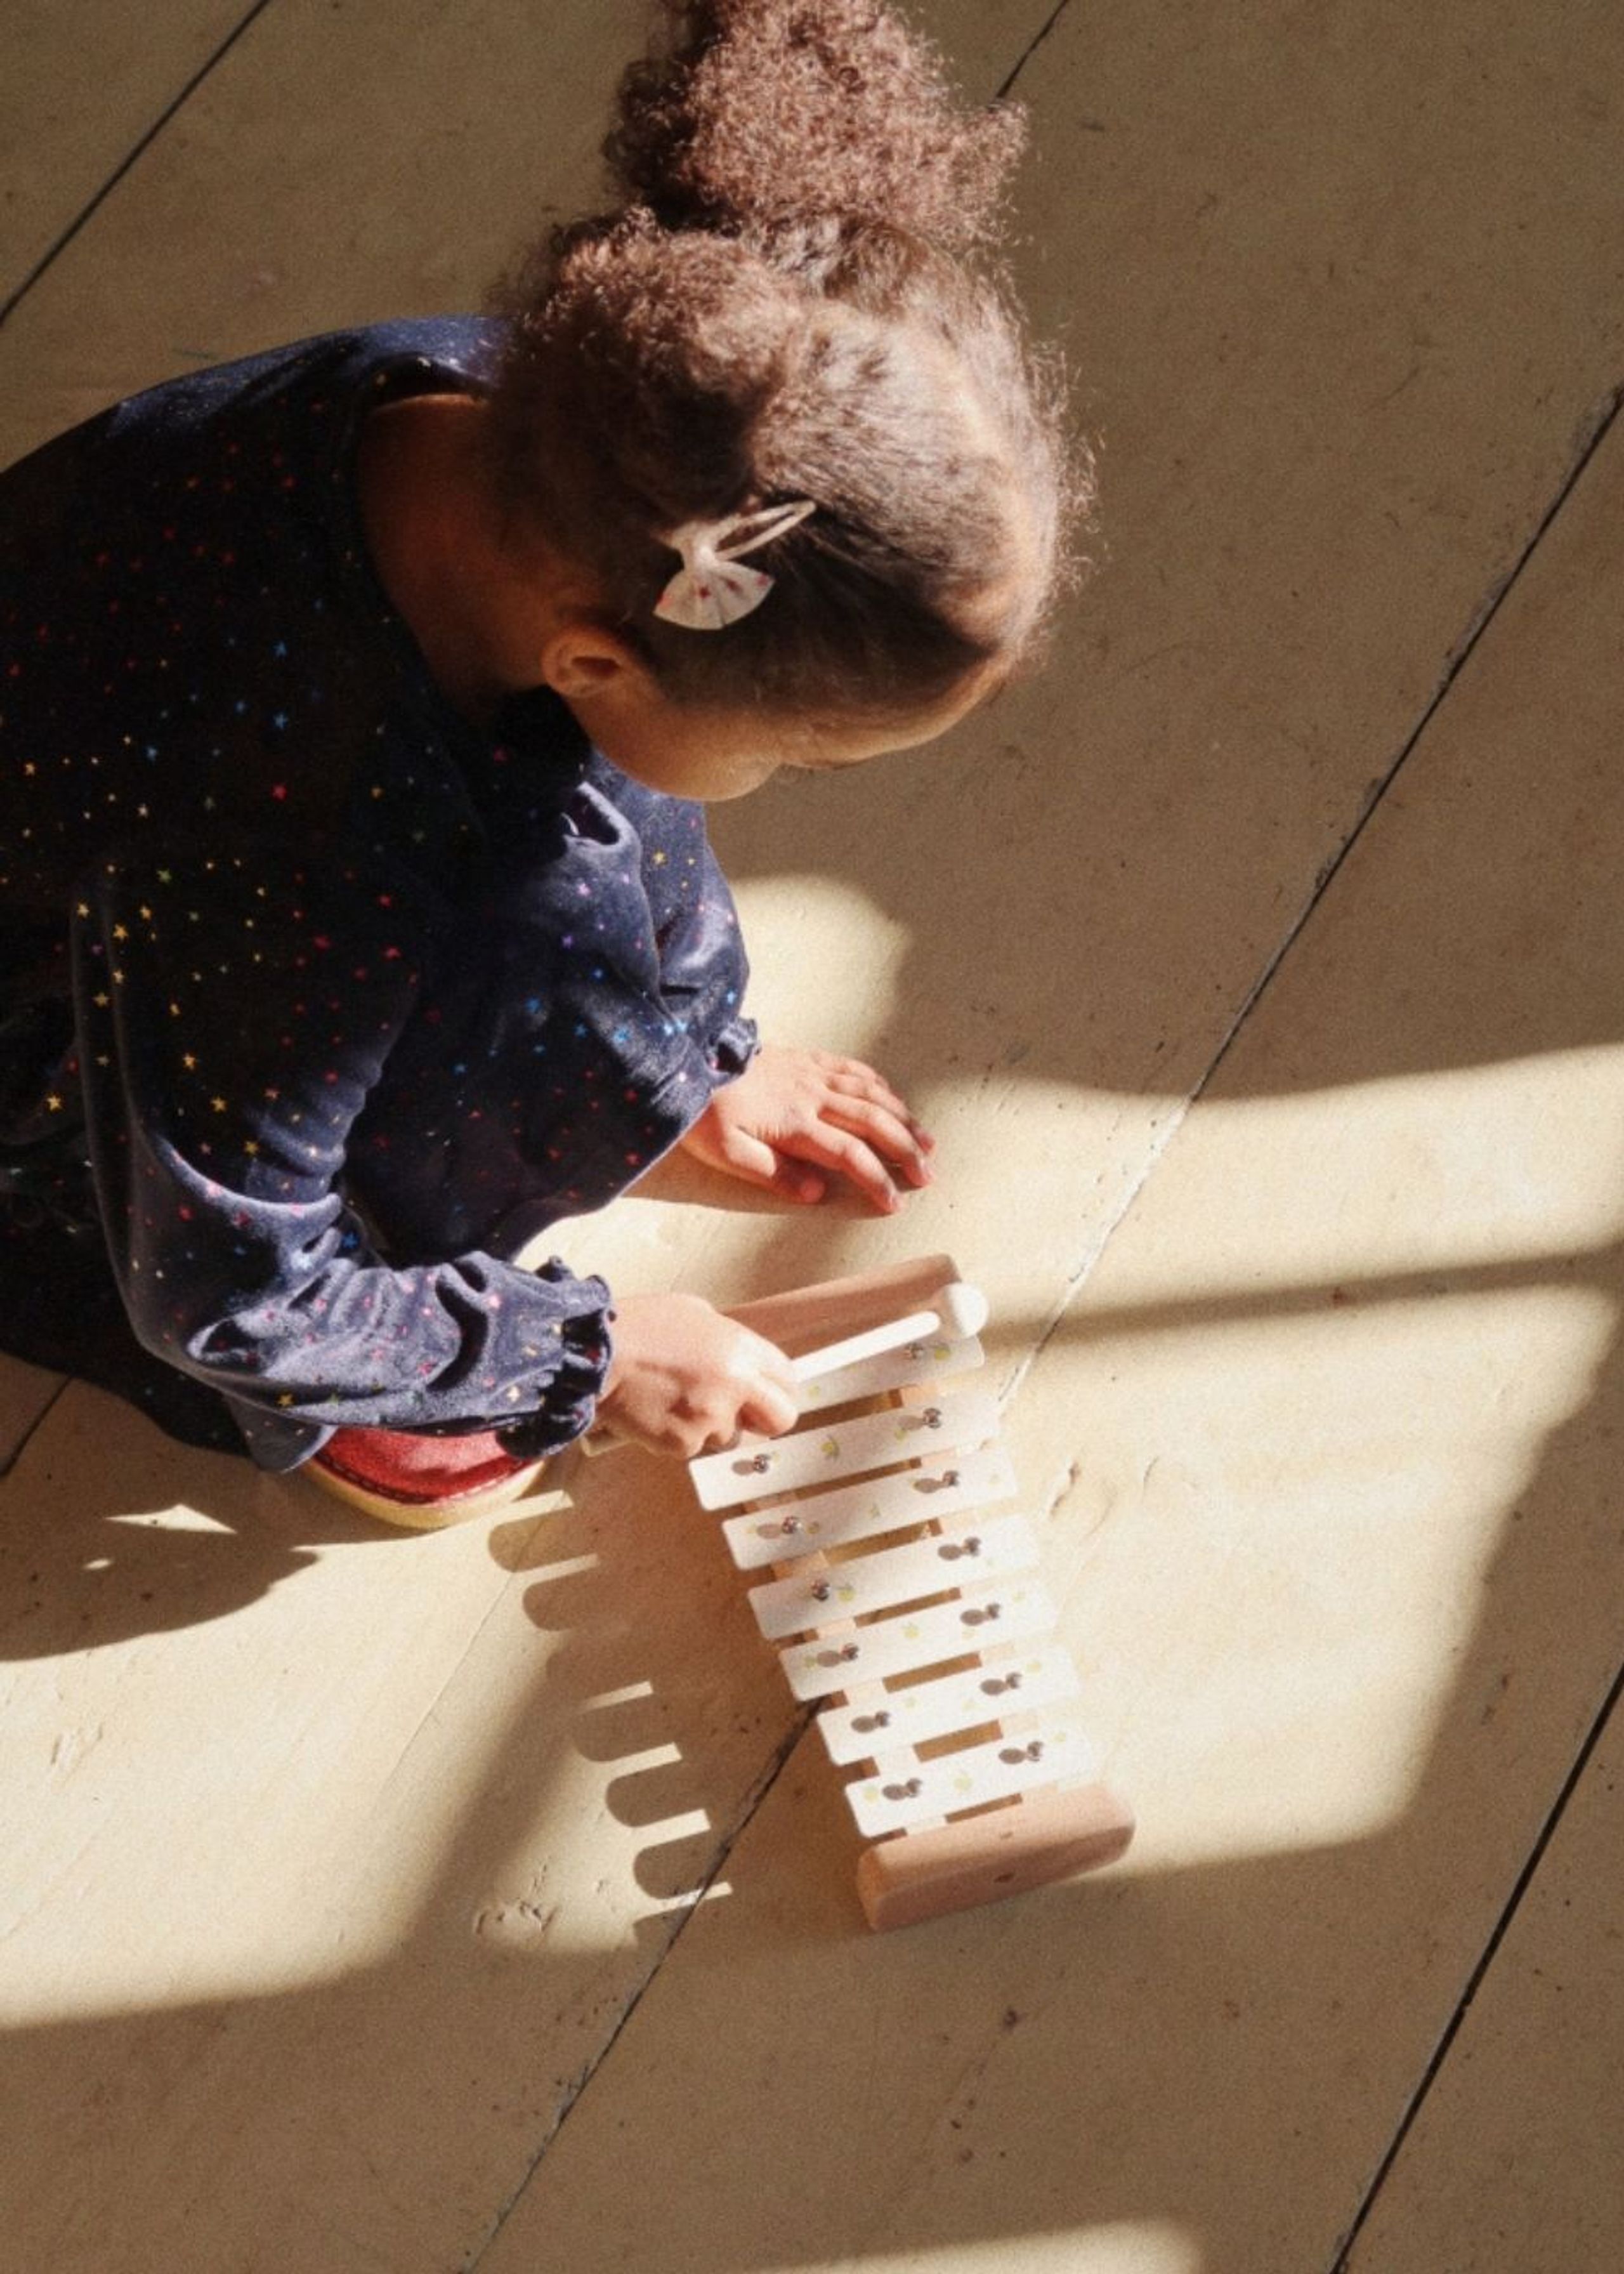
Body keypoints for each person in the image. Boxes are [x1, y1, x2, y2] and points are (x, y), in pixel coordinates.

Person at [0, 0, 1079, 1521]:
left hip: (212, 841)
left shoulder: (578, 431)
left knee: (561, 844)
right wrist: (574, 1350)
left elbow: (621, 794)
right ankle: (388, 1360)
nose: (785, 777)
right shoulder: (293, 869)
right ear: (593, 661)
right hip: (64, 1014)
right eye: (796, 756)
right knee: (298, 1152)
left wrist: (683, 1058)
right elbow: (226, 1286)